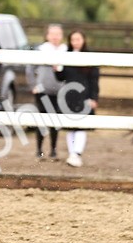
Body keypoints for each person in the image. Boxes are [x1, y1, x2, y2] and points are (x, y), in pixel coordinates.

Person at [55, 30, 99, 168]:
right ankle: (72, 153)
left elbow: (94, 80)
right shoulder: (66, 56)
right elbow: (62, 77)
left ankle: (77, 153)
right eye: (73, 39)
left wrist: (94, 97)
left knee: (81, 126)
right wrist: (56, 70)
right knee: (70, 126)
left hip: (85, 95)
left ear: (83, 40)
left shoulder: (90, 57)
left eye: (78, 39)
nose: (75, 42)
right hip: (69, 95)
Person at [26, 23, 67, 160]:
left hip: (59, 91)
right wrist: (33, 85)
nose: (55, 37)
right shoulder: (41, 50)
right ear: (47, 35)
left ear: (61, 36)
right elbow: (30, 68)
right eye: (52, 34)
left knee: (55, 121)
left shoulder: (65, 51)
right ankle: (39, 150)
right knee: (42, 120)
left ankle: (53, 150)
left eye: (58, 34)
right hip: (43, 91)